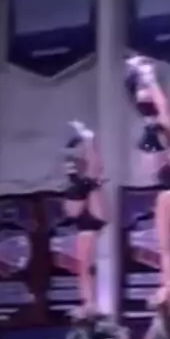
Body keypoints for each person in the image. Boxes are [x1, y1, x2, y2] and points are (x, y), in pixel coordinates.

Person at [125, 57, 170, 313]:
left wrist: (148, 77)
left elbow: (164, 109)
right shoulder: (162, 137)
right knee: (165, 243)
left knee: (166, 242)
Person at [62, 121, 107, 315]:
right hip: (89, 219)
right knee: (83, 266)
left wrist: (87, 141)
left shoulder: (85, 180)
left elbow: (94, 168)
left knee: (84, 266)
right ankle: (89, 301)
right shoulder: (79, 180)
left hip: (89, 221)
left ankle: (90, 303)